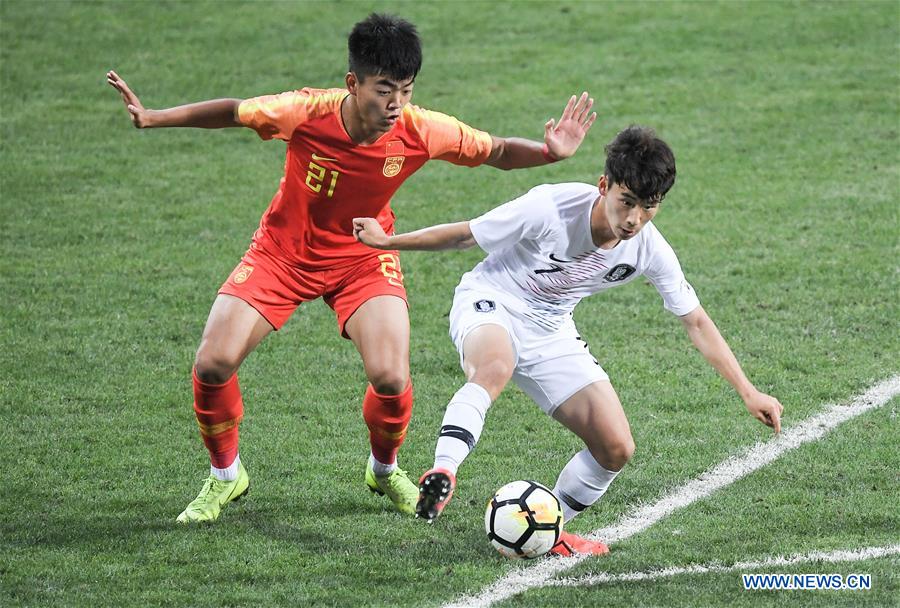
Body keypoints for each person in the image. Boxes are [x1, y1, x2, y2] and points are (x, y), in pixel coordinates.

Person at [107, 13, 596, 524]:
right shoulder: (304, 111)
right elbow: (233, 111)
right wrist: (154, 117)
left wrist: (549, 152)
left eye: (405, 90)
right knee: (212, 364)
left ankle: (384, 471)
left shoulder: (420, 129)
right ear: (352, 83)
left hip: (365, 256)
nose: (395, 105)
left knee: (390, 376)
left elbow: (495, 151)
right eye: (384, 90)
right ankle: (226, 477)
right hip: (282, 254)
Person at [353, 125, 784, 556]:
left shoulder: (648, 248)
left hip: (551, 328)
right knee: (494, 368)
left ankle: (546, 527)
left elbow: (696, 321)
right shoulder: (551, 207)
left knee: (615, 447)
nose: (634, 219)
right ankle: (444, 471)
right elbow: (467, 234)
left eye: (649, 207)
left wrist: (748, 392)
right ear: (604, 186)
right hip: (493, 301)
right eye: (627, 202)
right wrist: (388, 241)